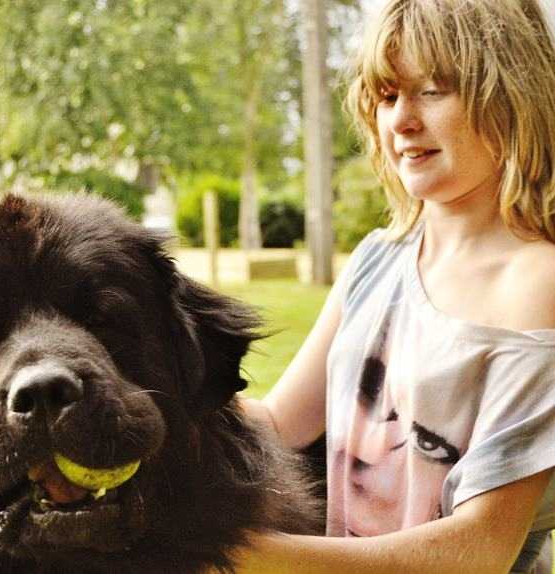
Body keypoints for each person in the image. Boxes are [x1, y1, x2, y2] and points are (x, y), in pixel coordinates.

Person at [232, 0, 555, 572]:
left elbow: (480, 549)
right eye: (386, 96)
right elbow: (281, 424)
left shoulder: (537, 283)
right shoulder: (378, 258)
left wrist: (229, 556)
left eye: (431, 91)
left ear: (511, 94)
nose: (402, 121)